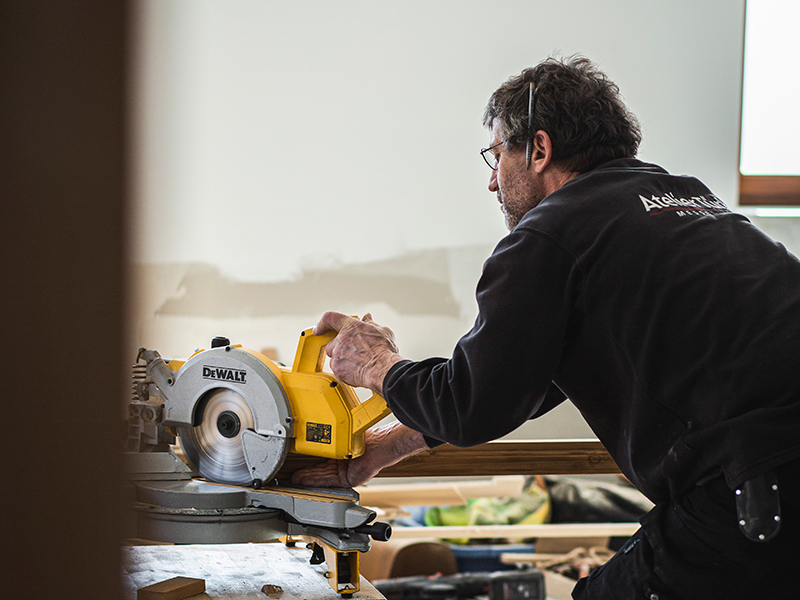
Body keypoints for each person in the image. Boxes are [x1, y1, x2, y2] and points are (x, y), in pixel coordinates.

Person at [291, 56, 800, 599]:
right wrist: (385, 448)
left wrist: (379, 366)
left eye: (496, 155)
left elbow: (472, 404)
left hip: (760, 487)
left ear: (538, 149)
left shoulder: (551, 234)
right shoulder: (686, 200)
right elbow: (525, 377)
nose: (492, 181)